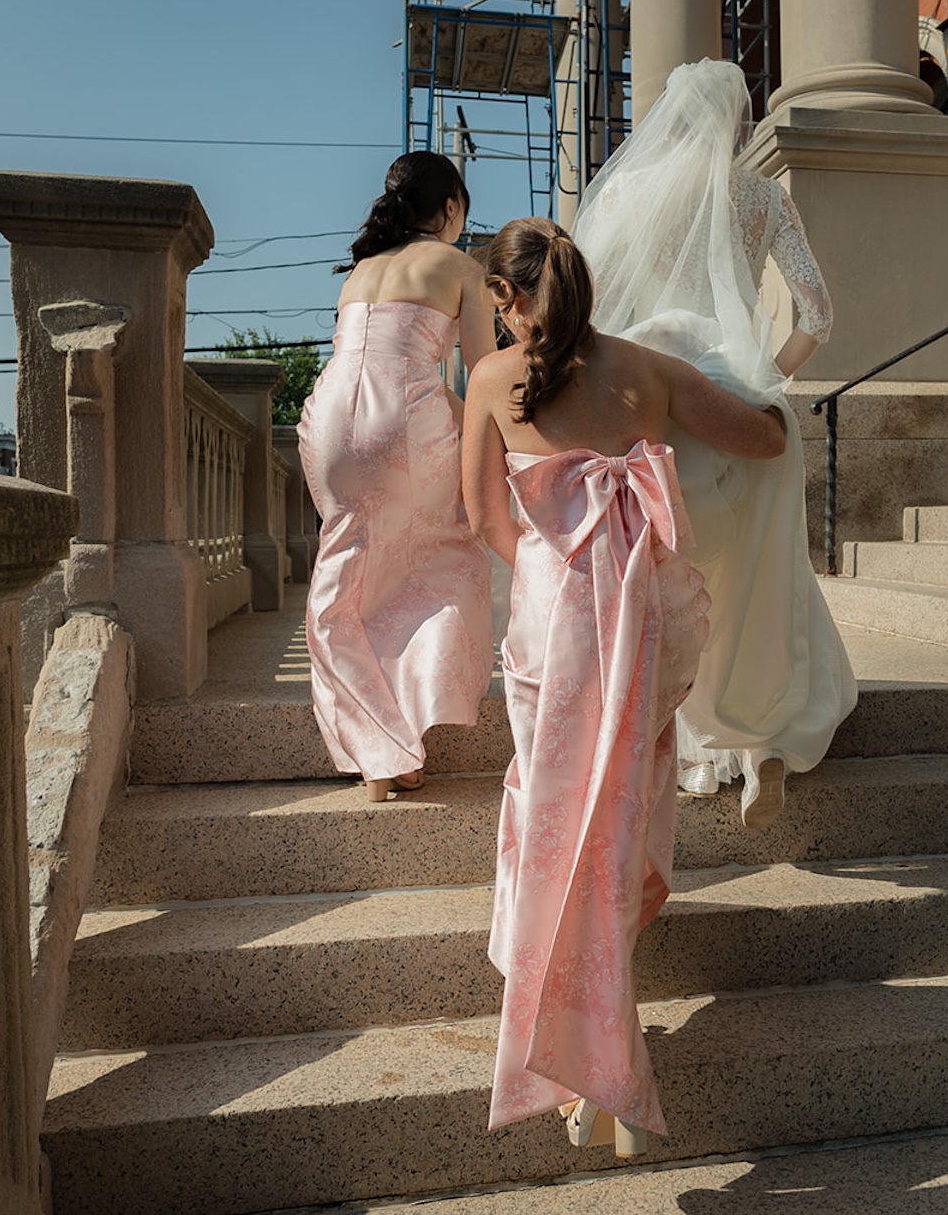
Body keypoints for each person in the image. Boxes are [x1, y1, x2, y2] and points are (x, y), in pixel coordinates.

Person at [463, 217, 788, 1156]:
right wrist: (774, 405)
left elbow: (487, 515)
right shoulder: (647, 370)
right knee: (614, 821)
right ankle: (601, 1054)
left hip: (552, 619)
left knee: (556, 821)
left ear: (506, 298)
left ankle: (588, 1062)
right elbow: (762, 441)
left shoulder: (489, 380)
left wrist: (552, 570)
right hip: (636, 619)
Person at [572, 57, 857, 829]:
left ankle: (695, 753)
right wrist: (766, 378)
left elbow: (584, 309)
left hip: (650, 398)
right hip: (738, 397)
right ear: (737, 123)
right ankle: (756, 741)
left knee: (670, 574)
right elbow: (819, 315)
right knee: (757, 571)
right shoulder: (764, 196)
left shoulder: (630, 192)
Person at [296, 151, 496, 803]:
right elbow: (485, 378)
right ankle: (399, 737)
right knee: (444, 561)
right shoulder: (461, 265)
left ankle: (381, 753)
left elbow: (368, 362)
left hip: (329, 421)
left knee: (346, 587)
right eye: (461, 212)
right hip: (406, 422)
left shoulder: (357, 273)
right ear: (448, 209)